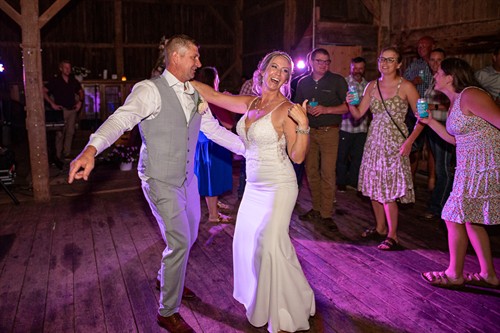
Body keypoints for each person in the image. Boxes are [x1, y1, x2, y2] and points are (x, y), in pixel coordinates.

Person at [68, 34, 244, 333]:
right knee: (178, 241)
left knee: (188, 237)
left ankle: (167, 279)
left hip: (188, 179)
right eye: (194, 57)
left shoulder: (195, 93)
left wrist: (250, 150)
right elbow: (121, 119)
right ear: (175, 57)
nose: (198, 64)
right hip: (160, 180)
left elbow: (214, 131)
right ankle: (167, 310)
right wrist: (91, 148)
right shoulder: (149, 90)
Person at [191, 50, 315, 333]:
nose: (280, 74)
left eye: (286, 71)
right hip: (254, 187)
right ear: (261, 70)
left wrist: (305, 125)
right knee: (247, 244)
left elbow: (297, 157)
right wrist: (182, 78)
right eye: (275, 67)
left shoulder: (287, 109)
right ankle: (280, 297)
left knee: (270, 244)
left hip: (279, 186)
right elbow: (214, 96)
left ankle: (285, 313)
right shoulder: (251, 103)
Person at [420, 57, 500, 289]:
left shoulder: (471, 95)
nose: (435, 75)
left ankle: (454, 274)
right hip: (468, 166)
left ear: (450, 77)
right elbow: (457, 140)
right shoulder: (456, 101)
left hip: (485, 166)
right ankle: (489, 275)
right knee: (471, 220)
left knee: (452, 215)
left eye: (438, 72)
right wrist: (430, 122)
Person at [346, 47, 423, 250]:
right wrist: (350, 104)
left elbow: (423, 118)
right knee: (373, 187)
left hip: (395, 144)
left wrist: (409, 142)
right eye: (382, 59)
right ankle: (380, 228)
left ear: (398, 64)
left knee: (389, 190)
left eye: (391, 60)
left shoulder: (406, 87)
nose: (385, 63)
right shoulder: (371, 86)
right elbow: (358, 114)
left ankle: (393, 235)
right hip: (374, 142)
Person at [293, 48, 349, 226]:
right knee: (311, 172)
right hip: (309, 133)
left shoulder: (337, 81)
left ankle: (326, 214)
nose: (324, 65)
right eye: (319, 61)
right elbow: (296, 106)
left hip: (330, 132)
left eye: (327, 61)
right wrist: (305, 110)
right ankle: (316, 208)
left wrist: (326, 109)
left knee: (327, 172)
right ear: (311, 62)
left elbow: (348, 107)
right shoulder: (303, 83)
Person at [194, 67, 234, 223]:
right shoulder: (215, 99)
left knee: (207, 176)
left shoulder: (197, 96)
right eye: (217, 78)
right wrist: (228, 104)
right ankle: (213, 215)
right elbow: (228, 124)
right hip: (213, 144)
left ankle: (214, 204)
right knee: (212, 178)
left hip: (200, 142)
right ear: (213, 80)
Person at [423, 48, 453, 220]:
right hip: (433, 126)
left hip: (445, 126)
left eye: (438, 60)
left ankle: (438, 207)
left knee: (443, 169)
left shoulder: (448, 81)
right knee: (439, 166)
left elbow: (452, 104)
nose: (435, 63)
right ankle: (439, 205)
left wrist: (432, 108)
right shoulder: (433, 80)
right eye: (432, 59)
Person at [403, 36, 435, 184]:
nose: (420, 48)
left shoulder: (438, 66)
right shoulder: (415, 65)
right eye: (419, 46)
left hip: (436, 111)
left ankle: (432, 179)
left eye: (424, 45)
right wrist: (412, 82)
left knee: (434, 148)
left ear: (432, 47)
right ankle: (411, 180)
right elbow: (402, 83)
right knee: (415, 145)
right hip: (416, 111)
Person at [337, 57, 369, 191]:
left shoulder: (368, 85)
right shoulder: (344, 83)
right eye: (355, 68)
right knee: (342, 156)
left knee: (358, 157)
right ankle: (341, 183)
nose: (357, 71)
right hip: (346, 126)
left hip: (362, 128)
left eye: (360, 68)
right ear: (350, 68)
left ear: (364, 69)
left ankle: (353, 182)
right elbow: (338, 103)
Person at [43, 60, 84, 162]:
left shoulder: (73, 80)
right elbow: (43, 91)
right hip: (61, 110)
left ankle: (67, 153)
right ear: (61, 68)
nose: (68, 70)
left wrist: (80, 102)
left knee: (70, 132)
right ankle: (57, 155)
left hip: (72, 110)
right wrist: (52, 103)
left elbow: (80, 91)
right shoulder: (55, 80)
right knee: (60, 133)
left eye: (69, 68)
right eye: (65, 67)